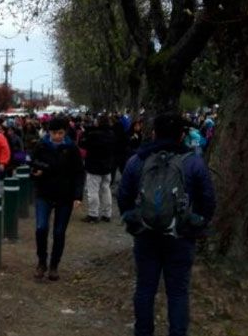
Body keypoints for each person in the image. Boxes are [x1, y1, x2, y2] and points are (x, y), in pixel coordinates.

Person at [118, 113, 215, 336]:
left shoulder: (137, 160)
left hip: (145, 234)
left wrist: (134, 219)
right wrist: (196, 223)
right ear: (182, 135)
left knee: (145, 288)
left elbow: (124, 195)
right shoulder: (194, 162)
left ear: (153, 133)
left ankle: (143, 332)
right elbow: (208, 200)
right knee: (178, 293)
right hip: (181, 236)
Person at [29, 117, 85, 281]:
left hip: (64, 195)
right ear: (49, 132)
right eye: (54, 133)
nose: (57, 137)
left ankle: (54, 265)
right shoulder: (41, 145)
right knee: (41, 228)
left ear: (65, 132)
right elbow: (33, 163)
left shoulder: (72, 149)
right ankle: (41, 261)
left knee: (59, 232)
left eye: (60, 133)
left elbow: (79, 172)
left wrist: (77, 195)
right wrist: (36, 172)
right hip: (44, 193)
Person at [79, 115, 117, 223]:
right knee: (106, 189)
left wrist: (86, 132)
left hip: (94, 165)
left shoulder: (93, 135)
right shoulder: (111, 134)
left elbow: (82, 143)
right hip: (107, 166)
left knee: (93, 191)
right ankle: (107, 214)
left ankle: (93, 214)